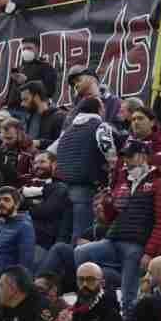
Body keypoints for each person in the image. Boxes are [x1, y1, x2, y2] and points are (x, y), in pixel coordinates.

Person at [78, 140, 161, 313]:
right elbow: (109, 218)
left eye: (130, 156)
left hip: (136, 245)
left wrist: (149, 252)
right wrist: (108, 203)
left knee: (129, 298)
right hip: (112, 239)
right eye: (125, 157)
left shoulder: (160, 184)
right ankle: (92, 299)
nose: (126, 161)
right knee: (81, 252)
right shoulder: (123, 182)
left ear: (144, 156)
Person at [54, 98, 117, 242]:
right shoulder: (100, 126)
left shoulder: (67, 131)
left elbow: (54, 151)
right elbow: (110, 154)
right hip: (86, 190)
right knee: (81, 237)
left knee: (63, 235)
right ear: (100, 109)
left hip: (65, 188)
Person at [0, 187, 36, 275]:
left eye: (6, 200)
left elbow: (25, 264)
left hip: (8, 283)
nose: (1, 203)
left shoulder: (24, 227)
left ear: (16, 204)